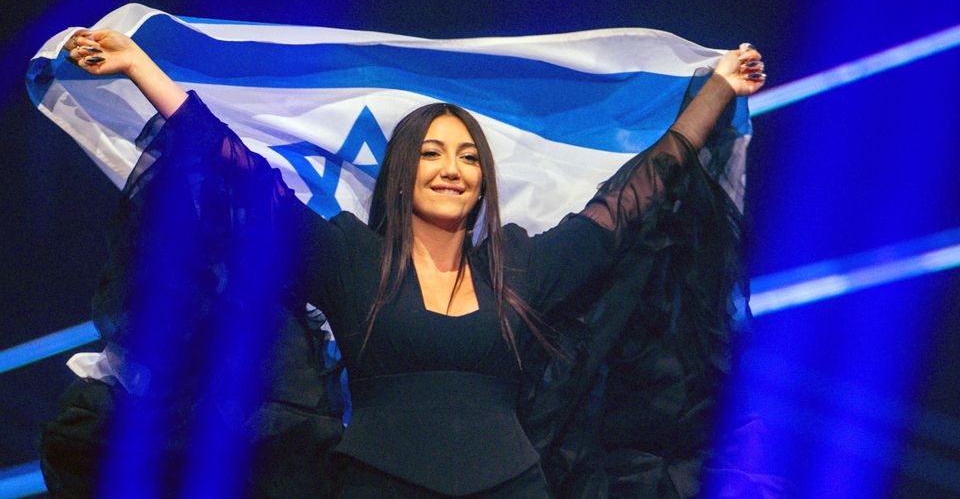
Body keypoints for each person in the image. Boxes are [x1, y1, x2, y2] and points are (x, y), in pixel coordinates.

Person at [42, 28, 766, 498]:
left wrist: (718, 89)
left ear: (482, 180)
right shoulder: (350, 259)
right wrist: (140, 68)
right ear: (402, 173)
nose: (451, 168)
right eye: (431, 153)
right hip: (375, 484)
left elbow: (635, 193)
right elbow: (240, 174)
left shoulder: (521, 267)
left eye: (467, 157)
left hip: (514, 487)